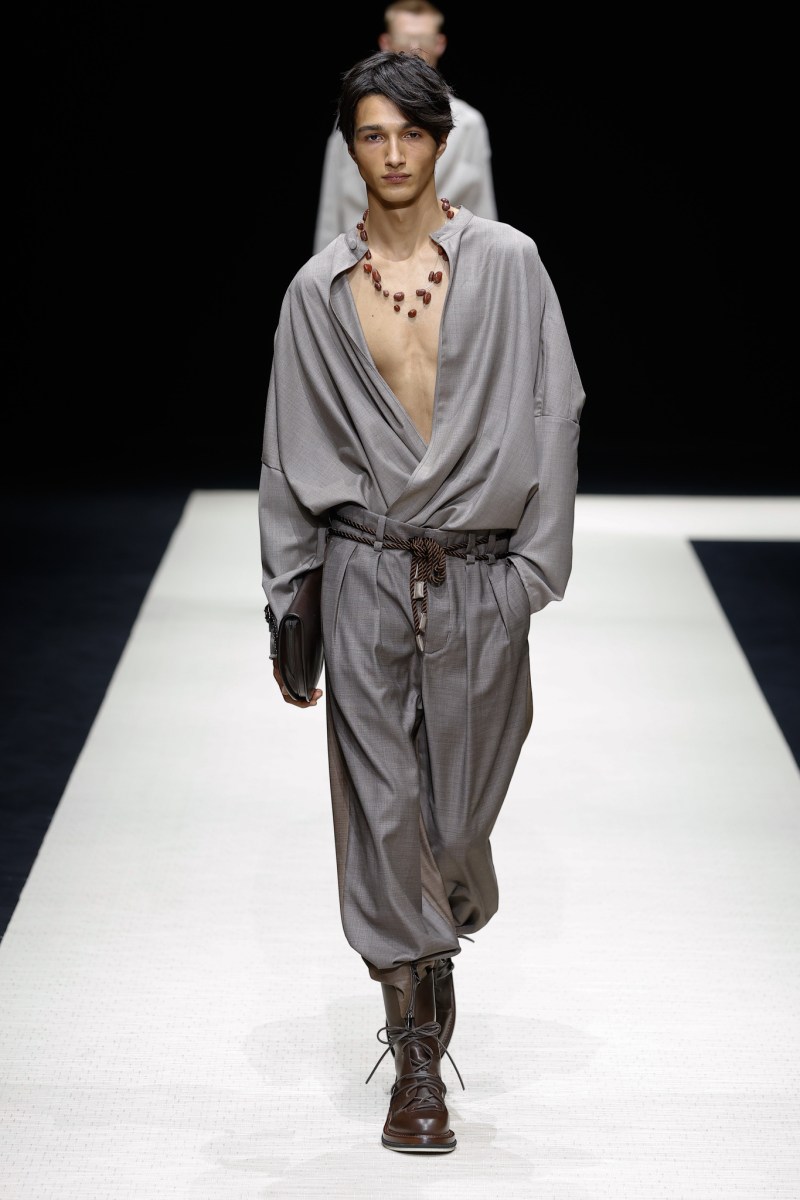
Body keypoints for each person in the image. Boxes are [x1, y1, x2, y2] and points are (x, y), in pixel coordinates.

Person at [259, 50, 585, 1154]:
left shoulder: (510, 263)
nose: (392, 153)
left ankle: (435, 932)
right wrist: (289, 599)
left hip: (481, 576)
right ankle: (413, 1054)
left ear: (442, 142)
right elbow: (287, 451)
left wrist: (534, 574)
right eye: (371, 134)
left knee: (455, 820)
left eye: (409, 133)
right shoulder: (316, 292)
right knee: (380, 808)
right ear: (349, 148)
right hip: (361, 567)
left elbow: (553, 411)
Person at [312, 0, 497, 254]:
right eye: (404, 39)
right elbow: (332, 207)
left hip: (452, 259)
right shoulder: (357, 120)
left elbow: (482, 206)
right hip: (362, 260)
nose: (413, 50)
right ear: (385, 42)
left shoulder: (468, 124)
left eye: (422, 40)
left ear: (440, 44)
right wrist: (326, 267)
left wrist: (488, 259)